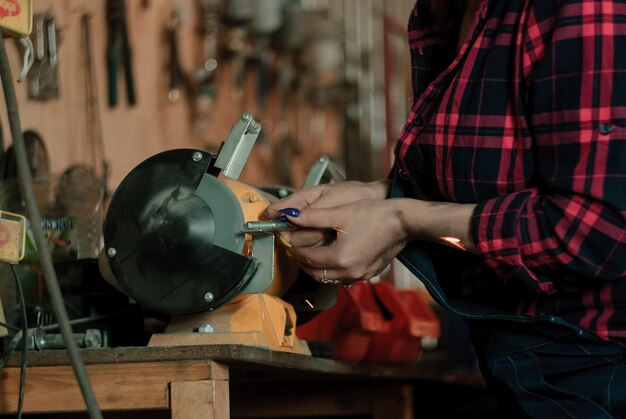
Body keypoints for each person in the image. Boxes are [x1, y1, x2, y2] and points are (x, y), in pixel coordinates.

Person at [263, 0, 626, 417]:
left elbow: (597, 229)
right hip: (525, 364)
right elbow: (487, 177)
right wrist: (378, 195)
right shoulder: (442, 12)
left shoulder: (577, 8)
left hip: (600, 367)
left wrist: (404, 219)